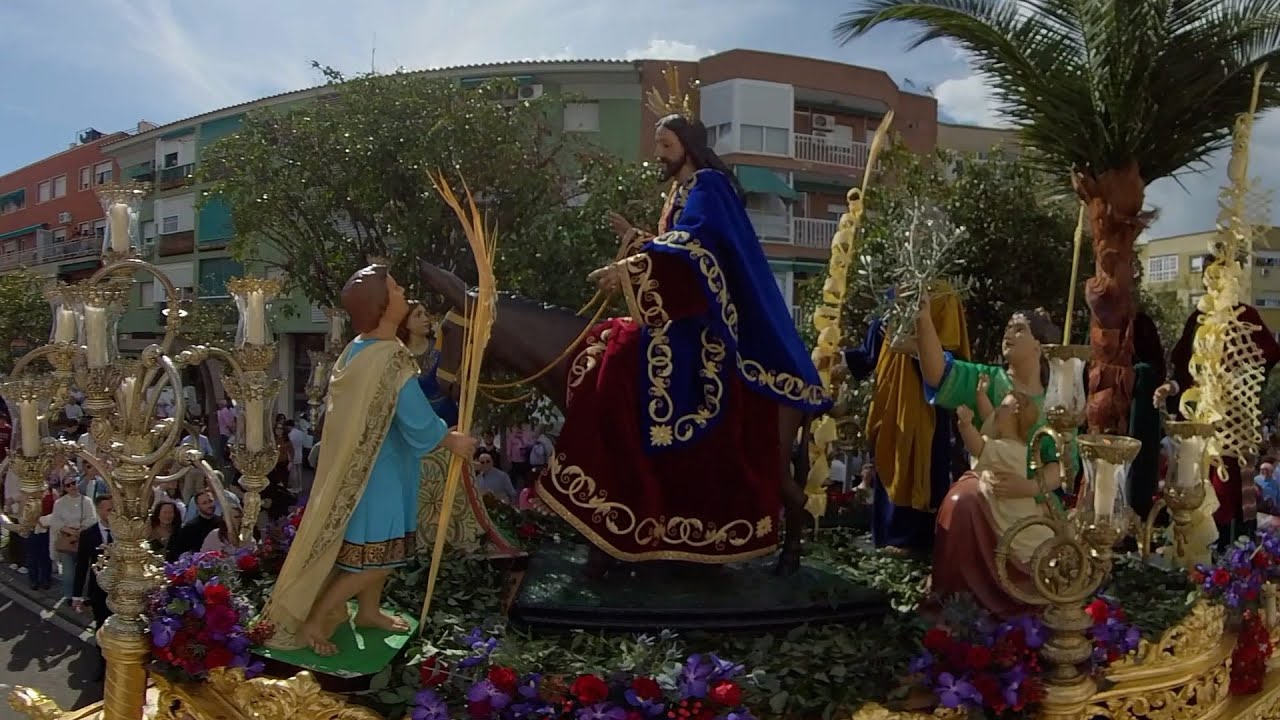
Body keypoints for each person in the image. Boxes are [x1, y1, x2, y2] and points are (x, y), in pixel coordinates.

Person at [536, 113, 830, 568]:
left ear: (688, 145)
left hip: (702, 322)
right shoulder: (679, 192)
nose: (658, 153)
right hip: (679, 315)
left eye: (666, 144)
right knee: (604, 346)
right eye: (657, 144)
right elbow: (675, 245)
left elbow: (698, 246)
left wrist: (629, 269)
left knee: (620, 354)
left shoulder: (709, 186)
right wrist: (640, 242)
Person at [258, 265, 475, 655]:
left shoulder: (359, 349)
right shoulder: (389, 357)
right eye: (394, 288)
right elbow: (413, 413)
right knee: (380, 557)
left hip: (385, 464)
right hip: (380, 473)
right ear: (381, 304)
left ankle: (368, 610)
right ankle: (314, 620)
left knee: (378, 549)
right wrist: (450, 439)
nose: (403, 288)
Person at [916, 298, 1066, 617]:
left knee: (1043, 544)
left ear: (1039, 345)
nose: (1007, 334)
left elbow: (1063, 466)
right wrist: (923, 318)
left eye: (1019, 329)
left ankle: (1028, 600)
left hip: (1031, 500)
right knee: (962, 501)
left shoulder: (1058, 401)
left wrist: (1029, 487)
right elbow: (937, 374)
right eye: (1007, 328)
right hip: (989, 485)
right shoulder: (988, 380)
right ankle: (959, 604)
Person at [844, 283, 969, 553]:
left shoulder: (943, 295)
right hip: (889, 401)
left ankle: (915, 544)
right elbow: (872, 352)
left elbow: (948, 356)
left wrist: (913, 346)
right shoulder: (892, 294)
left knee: (920, 464)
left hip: (924, 402)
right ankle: (885, 537)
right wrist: (841, 360)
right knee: (889, 461)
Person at [1156, 300, 1280, 545]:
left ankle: (1232, 555)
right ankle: (1191, 550)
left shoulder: (1244, 316)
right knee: (1192, 490)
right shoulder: (1199, 318)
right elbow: (1186, 371)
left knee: (1229, 490)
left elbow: (1268, 353)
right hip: (1198, 425)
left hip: (1233, 426)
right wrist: (1171, 387)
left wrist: (1241, 380)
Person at [957, 391, 1053, 563]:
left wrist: (965, 425)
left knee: (1024, 540)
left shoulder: (1006, 449)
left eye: (1003, 407)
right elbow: (989, 418)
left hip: (1009, 508)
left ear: (1014, 414)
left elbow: (977, 447)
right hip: (1009, 500)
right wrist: (980, 395)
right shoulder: (1016, 447)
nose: (997, 410)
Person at [73, 494, 114, 681]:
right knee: (102, 628)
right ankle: (103, 663)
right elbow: (82, 565)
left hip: (122, 591)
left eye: (114, 509)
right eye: (108, 509)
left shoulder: (124, 533)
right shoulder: (88, 535)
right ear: (99, 510)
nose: (112, 513)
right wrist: (76, 595)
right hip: (99, 593)